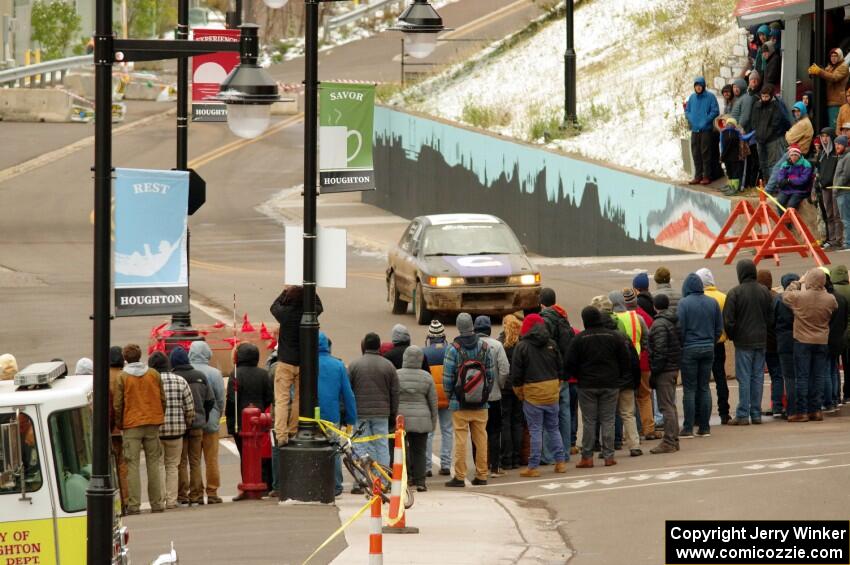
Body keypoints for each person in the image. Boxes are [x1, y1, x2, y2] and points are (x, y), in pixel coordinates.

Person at [566, 306, 631, 468]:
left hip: (587, 385)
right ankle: (609, 456)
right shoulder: (614, 337)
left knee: (589, 421)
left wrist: (574, 376)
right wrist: (620, 378)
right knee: (608, 420)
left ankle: (587, 457)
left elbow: (569, 363)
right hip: (610, 383)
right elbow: (625, 359)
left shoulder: (579, 339)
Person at [510, 314, 566, 478]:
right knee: (554, 428)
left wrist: (520, 392)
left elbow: (517, 374)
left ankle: (533, 466)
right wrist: (557, 385)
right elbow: (560, 368)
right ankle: (560, 462)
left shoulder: (523, 346)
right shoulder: (551, 344)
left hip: (533, 392)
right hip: (552, 390)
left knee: (536, 430)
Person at [443, 313, 495, 487]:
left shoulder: (453, 348)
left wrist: (452, 395)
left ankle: (459, 476)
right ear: (472, 326)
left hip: (460, 403)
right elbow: (490, 375)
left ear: (458, 327)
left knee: (460, 440)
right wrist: (484, 394)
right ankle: (482, 474)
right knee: (481, 439)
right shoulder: (485, 346)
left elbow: (447, 378)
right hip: (481, 403)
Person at [113, 344, 166, 514]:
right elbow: (162, 398)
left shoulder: (123, 377)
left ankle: (134, 504)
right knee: (153, 463)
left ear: (125, 358)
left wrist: (120, 422)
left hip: (131, 423)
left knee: (132, 465)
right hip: (152, 421)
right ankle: (157, 503)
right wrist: (159, 415)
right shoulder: (153, 374)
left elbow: (118, 403)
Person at [270, 285, 323, 446]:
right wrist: (311, 291)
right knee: (299, 399)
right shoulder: (308, 314)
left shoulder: (284, 314)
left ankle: (281, 434)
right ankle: (293, 429)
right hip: (303, 364)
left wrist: (284, 292)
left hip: (285, 361)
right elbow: (320, 306)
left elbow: (273, 306)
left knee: (282, 399)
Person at [782, 269, 837, 421]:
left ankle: (802, 411)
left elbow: (785, 296)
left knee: (803, 377)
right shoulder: (830, 299)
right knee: (818, 376)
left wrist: (798, 282)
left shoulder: (800, 297)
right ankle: (816, 409)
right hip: (821, 340)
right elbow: (835, 308)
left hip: (802, 340)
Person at [723, 260, 774, 426]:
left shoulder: (735, 293)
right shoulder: (764, 292)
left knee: (744, 378)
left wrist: (733, 336)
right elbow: (770, 317)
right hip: (761, 339)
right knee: (758, 377)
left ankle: (743, 414)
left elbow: (729, 321)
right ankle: (756, 413)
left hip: (743, 342)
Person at [348, 332, 399, 489]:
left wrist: (348, 412)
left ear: (364, 346)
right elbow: (395, 392)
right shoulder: (388, 366)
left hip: (360, 412)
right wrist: (393, 413)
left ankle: (362, 480)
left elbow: (349, 391)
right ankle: (382, 480)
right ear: (378, 346)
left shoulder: (354, 365)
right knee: (382, 445)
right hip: (382, 412)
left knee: (360, 445)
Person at [225, 343, 274, 497]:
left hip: (239, 421)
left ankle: (247, 485)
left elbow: (232, 399)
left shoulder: (236, 374)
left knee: (244, 455)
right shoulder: (263, 374)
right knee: (258, 453)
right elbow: (269, 397)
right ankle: (260, 482)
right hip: (258, 419)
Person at [677, 274, 722, 438]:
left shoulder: (684, 303)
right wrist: (711, 341)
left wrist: (683, 344)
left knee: (689, 389)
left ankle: (688, 427)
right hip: (708, 347)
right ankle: (705, 427)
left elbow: (680, 329)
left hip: (689, 348)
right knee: (704, 387)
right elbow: (719, 328)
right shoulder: (712, 302)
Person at [149, 352, 194, 510]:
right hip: (176, 431)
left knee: (159, 465)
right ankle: (172, 500)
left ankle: (160, 500)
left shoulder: (151, 381)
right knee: (172, 466)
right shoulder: (180, 380)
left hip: (157, 430)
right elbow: (189, 407)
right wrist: (187, 423)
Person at [170, 346, 213, 506]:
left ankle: (183, 495)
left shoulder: (174, 377)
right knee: (195, 461)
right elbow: (210, 400)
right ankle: (197, 495)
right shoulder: (200, 376)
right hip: (198, 424)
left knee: (181, 462)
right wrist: (203, 416)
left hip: (179, 426)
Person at [316, 332, 357, 496]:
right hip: (332, 414)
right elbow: (348, 394)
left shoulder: (306, 364)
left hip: (311, 415)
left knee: (314, 449)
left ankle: (318, 483)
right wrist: (351, 419)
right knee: (334, 449)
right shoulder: (338, 365)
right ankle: (336, 485)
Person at [538, 289, 575, 462]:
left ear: (542, 303)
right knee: (564, 414)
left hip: (550, 373)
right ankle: (565, 451)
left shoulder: (545, 320)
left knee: (548, 415)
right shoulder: (563, 318)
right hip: (565, 373)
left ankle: (549, 454)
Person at [609, 291, 647, 454]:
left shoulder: (610, 322)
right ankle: (635, 442)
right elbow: (646, 337)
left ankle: (615, 442)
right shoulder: (636, 317)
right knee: (630, 410)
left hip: (614, 371)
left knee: (612, 412)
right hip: (634, 363)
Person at [189, 341, 225, 504]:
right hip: (211, 420)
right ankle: (212, 491)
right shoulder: (215, 373)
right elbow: (220, 398)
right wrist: (217, 415)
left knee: (194, 460)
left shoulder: (188, 372)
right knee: (212, 459)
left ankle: (196, 492)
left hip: (193, 421)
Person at [397, 345, 437, 491]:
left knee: (402, 450)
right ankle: (420, 481)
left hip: (401, 419)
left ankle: (405, 478)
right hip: (422, 419)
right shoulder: (426, 376)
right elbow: (433, 402)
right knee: (419, 450)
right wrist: (433, 422)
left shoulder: (397, 375)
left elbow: (393, 398)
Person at [473, 316, 510, 477]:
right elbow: (505, 369)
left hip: (474, 397)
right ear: (489, 329)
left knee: (477, 432)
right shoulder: (497, 345)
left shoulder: (470, 345)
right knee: (494, 432)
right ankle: (495, 466)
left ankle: (479, 465)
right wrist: (499, 385)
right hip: (494, 396)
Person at [696, 268, 731, 425]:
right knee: (720, 378)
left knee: (701, 381)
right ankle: (724, 412)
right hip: (719, 343)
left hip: (701, 343)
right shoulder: (723, 297)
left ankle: (702, 415)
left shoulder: (697, 298)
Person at [648, 294, 681, 454]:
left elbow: (660, 350)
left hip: (665, 370)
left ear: (655, 306)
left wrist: (655, 371)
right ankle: (673, 439)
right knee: (670, 405)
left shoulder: (659, 324)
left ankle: (669, 441)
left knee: (666, 406)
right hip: (673, 367)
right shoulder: (673, 321)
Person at [422, 320, 452, 476]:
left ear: (430, 336)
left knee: (429, 433)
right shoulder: (450, 350)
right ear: (443, 336)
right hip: (447, 397)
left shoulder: (424, 353)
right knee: (447, 430)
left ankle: (427, 467)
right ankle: (446, 464)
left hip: (430, 399)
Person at [499, 315, 525, 469]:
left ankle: (506, 458)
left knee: (505, 423)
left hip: (505, 388)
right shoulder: (522, 343)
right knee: (518, 422)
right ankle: (517, 456)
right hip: (519, 387)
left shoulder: (501, 343)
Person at [757, 270, 784, 418]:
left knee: (757, 376)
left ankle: (755, 407)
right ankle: (777, 406)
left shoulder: (758, 297)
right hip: (776, 341)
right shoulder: (776, 297)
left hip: (761, 342)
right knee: (777, 375)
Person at [685, 76, 720, 185]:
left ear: (703, 86)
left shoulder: (710, 97)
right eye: (696, 86)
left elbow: (715, 111)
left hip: (706, 129)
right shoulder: (692, 98)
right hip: (695, 130)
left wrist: (706, 120)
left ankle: (706, 176)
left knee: (706, 153)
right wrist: (691, 119)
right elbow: (687, 111)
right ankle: (697, 175)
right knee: (696, 153)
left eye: (700, 86)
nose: (698, 88)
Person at [775, 273, 800, 420]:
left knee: (789, 377)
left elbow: (772, 320)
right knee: (803, 375)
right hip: (801, 337)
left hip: (784, 340)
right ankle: (805, 408)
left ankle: (792, 410)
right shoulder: (803, 297)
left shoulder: (779, 299)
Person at [108, 346, 129, 513]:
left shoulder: (102, 377)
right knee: (123, 464)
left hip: (108, 428)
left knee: (110, 466)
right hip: (124, 426)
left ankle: (115, 501)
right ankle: (126, 499)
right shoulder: (125, 376)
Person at [814, 127, 843, 249]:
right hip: (824, 188)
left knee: (837, 215)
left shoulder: (836, 154)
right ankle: (831, 239)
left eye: (827, 136)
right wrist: (818, 183)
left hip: (835, 188)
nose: (824, 139)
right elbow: (818, 171)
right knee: (829, 214)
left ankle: (839, 239)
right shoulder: (820, 154)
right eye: (822, 136)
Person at [824, 269, 848, 414]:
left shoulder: (827, 298)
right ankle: (836, 397)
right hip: (839, 338)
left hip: (827, 338)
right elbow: (845, 320)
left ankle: (830, 400)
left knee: (827, 369)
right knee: (834, 369)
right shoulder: (840, 298)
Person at [809, 49, 849, 127]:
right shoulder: (831, 67)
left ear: (840, 57)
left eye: (835, 56)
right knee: (831, 124)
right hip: (830, 101)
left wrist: (819, 71)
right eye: (832, 56)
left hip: (837, 102)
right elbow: (824, 72)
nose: (833, 58)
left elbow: (834, 77)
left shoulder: (843, 67)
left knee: (834, 125)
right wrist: (813, 71)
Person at [771, 143, 813, 211]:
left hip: (800, 190)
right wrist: (782, 181)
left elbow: (804, 179)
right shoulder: (785, 164)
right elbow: (780, 176)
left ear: (799, 155)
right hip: (787, 189)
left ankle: (792, 221)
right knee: (779, 202)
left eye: (795, 155)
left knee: (791, 205)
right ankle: (784, 220)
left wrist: (789, 181)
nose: (793, 157)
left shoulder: (806, 164)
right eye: (792, 155)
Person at [832, 265, 850, 402]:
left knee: (833, 366)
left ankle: (835, 395)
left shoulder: (832, 292)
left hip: (836, 333)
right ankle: (848, 393)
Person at [832, 136, 850, 248]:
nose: (837, 146)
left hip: (844, 193)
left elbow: (846, 175)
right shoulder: (841, 157)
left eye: (839, 144)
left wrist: (836, 187)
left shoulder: (847, 157)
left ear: (845, 145)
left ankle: (848, 242)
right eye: (836, 144)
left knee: (846, 219)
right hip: (840, 193)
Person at [720, 117, 745, 194]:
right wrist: (722, 155)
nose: (729, 125)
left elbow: (743, 139)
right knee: (729, 172)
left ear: (734, 125)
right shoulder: (724, 133)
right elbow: (722, 145)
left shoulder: (736, 133)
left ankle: (735, 188)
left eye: (731, 124)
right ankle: (730, 186)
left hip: (734, 157)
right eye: (728, 124)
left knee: (735, 173)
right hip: (727, 157)